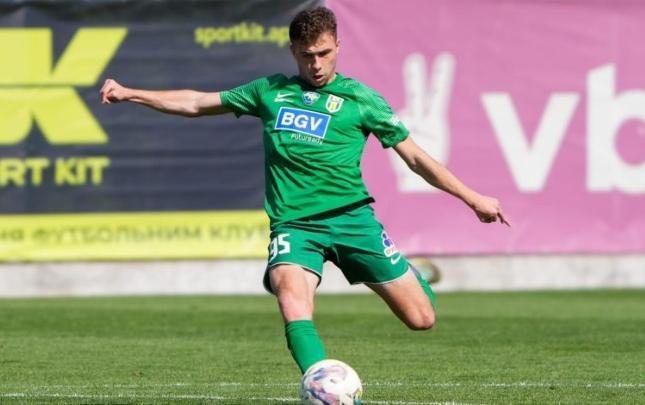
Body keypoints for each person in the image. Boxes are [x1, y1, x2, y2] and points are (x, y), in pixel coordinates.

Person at [100, 6, 510, 375]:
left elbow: (416, 158)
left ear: (338, 47)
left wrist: (473, 198)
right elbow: (196, 103)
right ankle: (323, 385)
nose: (316, 64)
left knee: (422, 319)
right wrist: (132, 93)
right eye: (307, 55)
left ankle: (412, 274)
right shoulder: (269, 91)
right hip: (294, 226)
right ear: (293, 51)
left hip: (352, 220)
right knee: (290, 296)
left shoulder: (361, 100)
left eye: (324, 53)